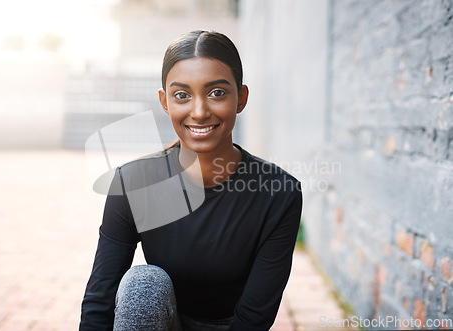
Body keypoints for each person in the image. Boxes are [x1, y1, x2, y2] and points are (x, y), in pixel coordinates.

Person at [80, 30, 302, 331]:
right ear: (165, 101)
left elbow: (255, 316)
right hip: (163, 323)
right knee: (143, 286)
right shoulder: (133, 184)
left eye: (217, 93)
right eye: (182, 95)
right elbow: (100, 298)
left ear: (241, 98)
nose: (199, 112)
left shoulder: (278, 192)